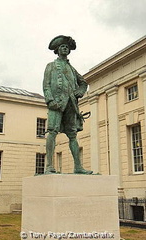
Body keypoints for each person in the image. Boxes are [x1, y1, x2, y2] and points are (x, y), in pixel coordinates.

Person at [43, 35, 93, 174]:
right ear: (57, 50)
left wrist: (80, 92)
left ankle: (78, 167)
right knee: (52, 132)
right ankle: (49, 166)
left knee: (72, 135)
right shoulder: (51, 66)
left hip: (71, 103)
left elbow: (83, 82)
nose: (65, 48)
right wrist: (50, 100)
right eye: (62, 47)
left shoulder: (72, 69)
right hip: (56, 103)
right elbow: (46, 85)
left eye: (66, 47)